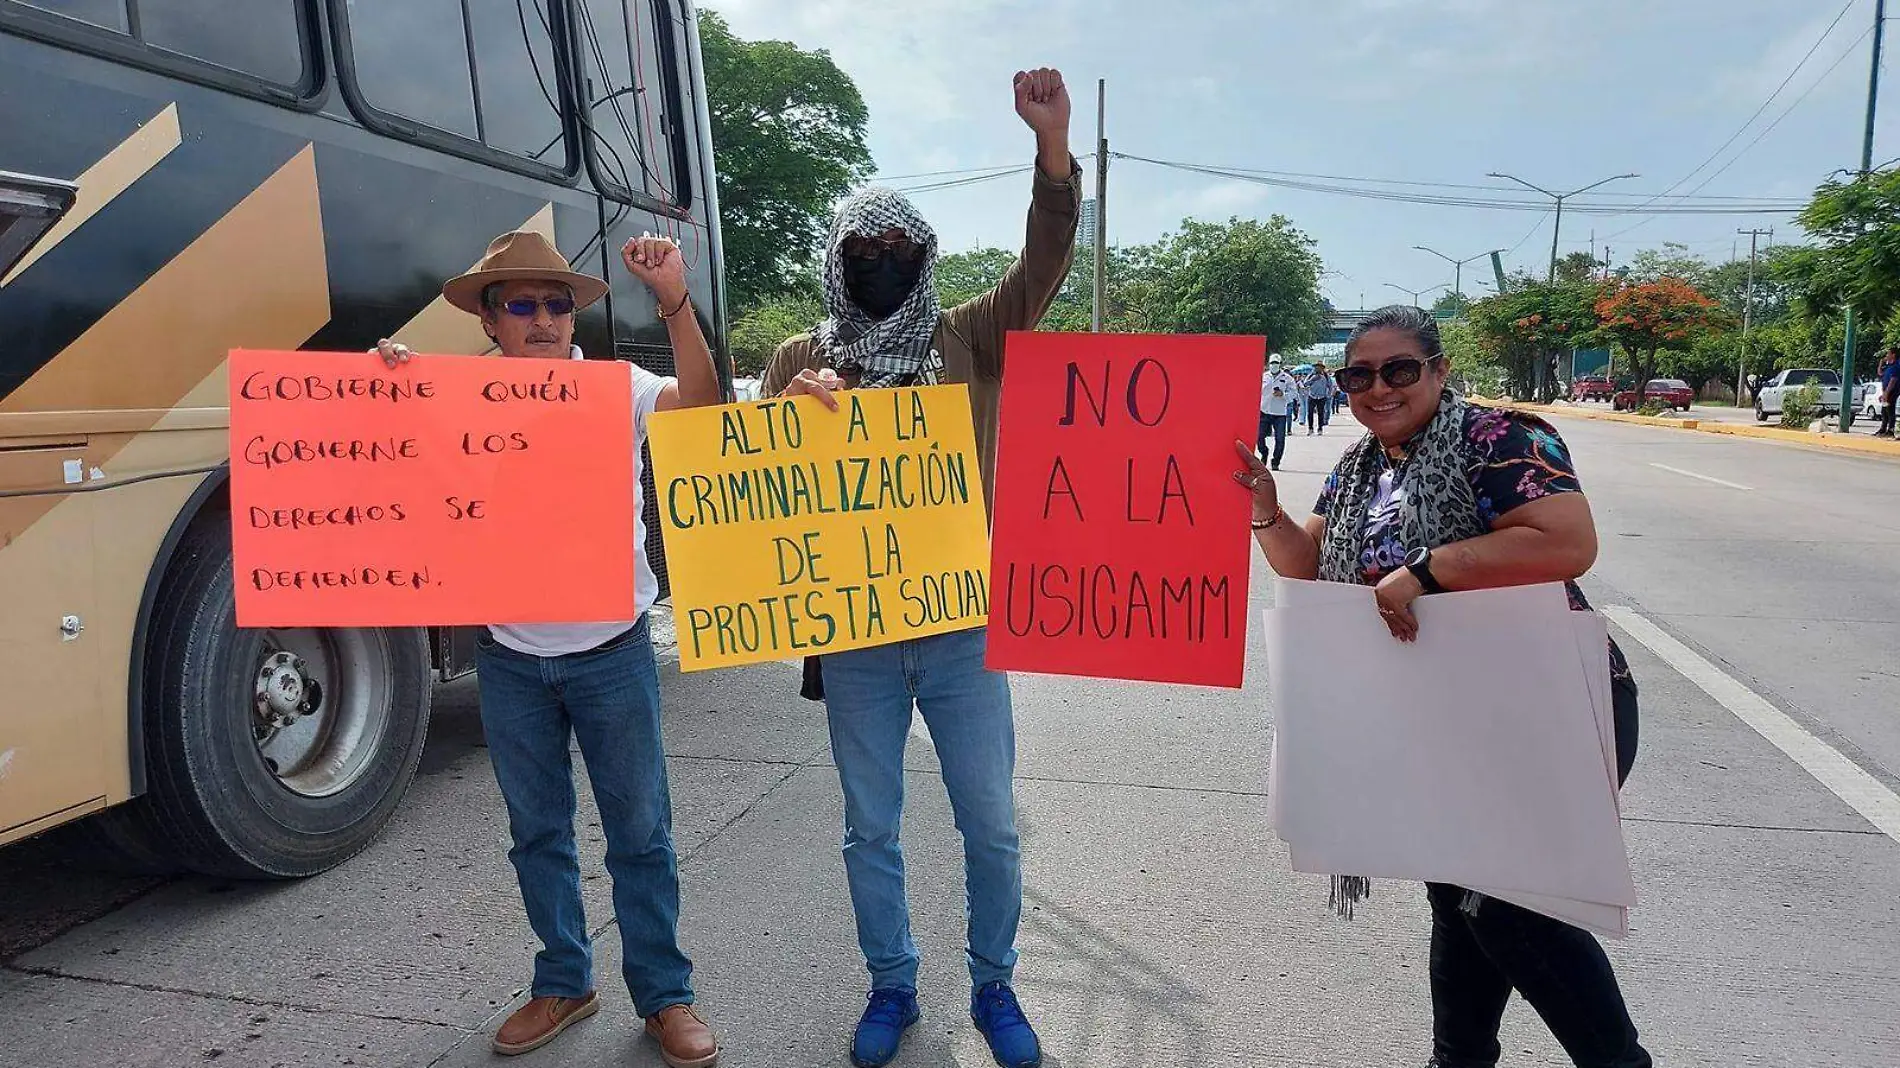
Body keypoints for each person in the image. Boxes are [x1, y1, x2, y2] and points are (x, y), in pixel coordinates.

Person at [1231, 305, 1652, 1068]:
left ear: (1440, 370)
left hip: (1541, 707)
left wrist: (1430, 570)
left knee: (1509, 904)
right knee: (1459, 900)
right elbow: (1303, 565)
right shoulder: (1362, 468)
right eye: (1359, 375)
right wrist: (1265, 509)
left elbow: (1567, 541)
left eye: (1400, 370)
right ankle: (1457, 1061)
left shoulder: (1501, 437)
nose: (1378, 388)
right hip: (1437, 721)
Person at [764, 68, 1078, 1068]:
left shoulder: (968, 339)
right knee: (871, 830)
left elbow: (1043, 265)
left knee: (989, 824)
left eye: (901, 249)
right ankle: (892, 987)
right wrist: (787, 418)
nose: (883, 262)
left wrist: (1054, 147)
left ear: (925, 258)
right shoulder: (798, 357)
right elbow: (749, 493)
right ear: (837, 259)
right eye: (865, 249)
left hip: (961, 631)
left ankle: (994, 987)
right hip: (855, 641)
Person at [374, 230, 722, 1066]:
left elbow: (706, 412)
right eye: (520, 304)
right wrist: (376, 387)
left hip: (612, 653)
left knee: (641, 834)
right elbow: (384, 470)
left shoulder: (619, 388)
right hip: (508, 659)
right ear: (490, 321)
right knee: (538, 835)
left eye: (555, 303)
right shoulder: (448, 396)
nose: (541, 318)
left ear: (573, 318)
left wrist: (674, 297)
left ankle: (665, 995)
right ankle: (564, 982)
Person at [1259, 355, 1297, 469]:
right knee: (1259, 437)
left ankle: (1276, 461)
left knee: (1280, 439)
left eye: (1276, 362)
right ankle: (1264, 452)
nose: (1273, 365)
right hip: (1264, 411)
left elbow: (1294, 393)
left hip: (1279, 413)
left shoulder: (1287, 378)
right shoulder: (1263, 376)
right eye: (1272, 362)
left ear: (1280, 364)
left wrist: (1283, 395)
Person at [1306, 361, 1335, 435]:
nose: (1317, 368)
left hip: (1322, 397)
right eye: (1316, 367)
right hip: (1312, 396)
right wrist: (1313, 379)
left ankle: (1320, 428)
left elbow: (1330, 385)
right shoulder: (1311, 375)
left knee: (1321, 413)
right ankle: (1310, 428)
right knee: (1310, 413)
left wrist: (1329, 394)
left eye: (1319, 367)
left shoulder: (1326, 376)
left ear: (1322, 368)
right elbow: (1305, 383)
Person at [1877, 347, 1898, 438]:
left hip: (1892, 392)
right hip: (1886, 392)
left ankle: (1890, 430)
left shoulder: (1896, 366)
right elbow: (1880, 374)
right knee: (1884, 411)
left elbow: (1893, 380)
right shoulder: (1889, 366)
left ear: (1893, 355)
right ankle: (1883, 429)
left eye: (1888, 354)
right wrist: (1880, 363)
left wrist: (1886, 393)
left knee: (1890, 410)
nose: (1886, 356)